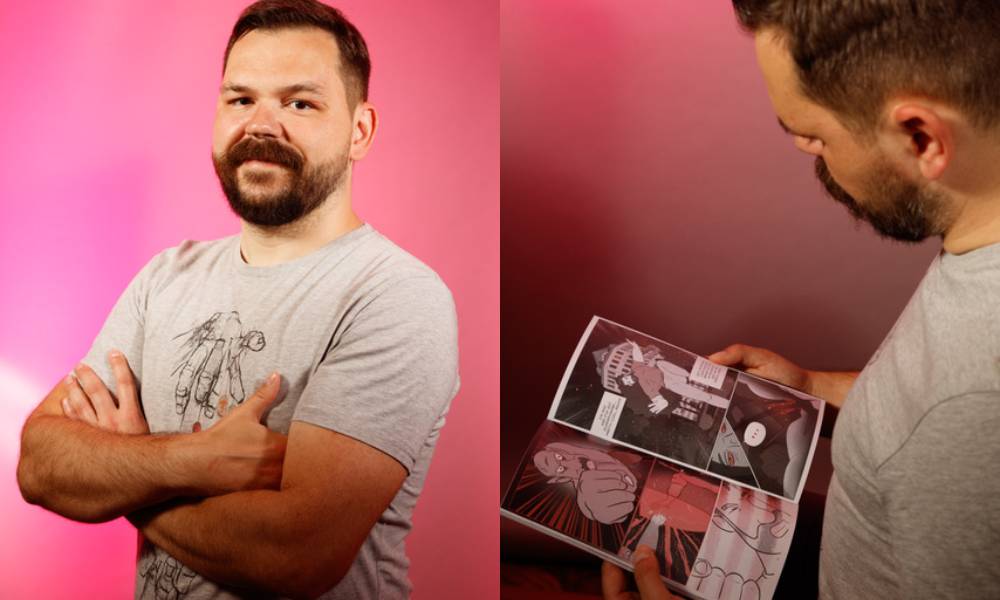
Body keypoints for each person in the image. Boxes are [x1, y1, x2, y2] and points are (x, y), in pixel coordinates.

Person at [16, 1, 459, 599]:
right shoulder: (166, 276)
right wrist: (193, 460)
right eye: (240, 99)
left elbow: (294, 555)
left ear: (360, 131)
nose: (261, 124)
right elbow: (40, 465)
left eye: (300, 103)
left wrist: (127, 474)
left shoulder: (395, 296)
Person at [603, 0, 1000, 598]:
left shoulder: (970, 410)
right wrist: (813, 391)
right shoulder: (980, 250)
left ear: (921, 136)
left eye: (813, 135)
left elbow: (948, 419)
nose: (806, 153)